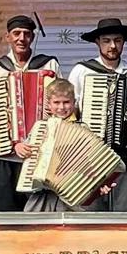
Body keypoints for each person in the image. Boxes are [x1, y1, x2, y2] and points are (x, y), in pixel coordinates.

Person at [0, 15, 59, 211]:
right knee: (5, 210)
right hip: (4, 151)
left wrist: (53, 108)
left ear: (32, 37)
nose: (21, 38)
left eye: (26, 34)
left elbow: (63, 100)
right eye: (16, 33)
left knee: (40, 209)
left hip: (39, 151)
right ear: (8, 37)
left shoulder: (49, 65)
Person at [66, 17, 127, 211]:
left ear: (123, 42)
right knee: (90, 212)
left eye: (117, 40)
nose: (112, 46)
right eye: (106, 41)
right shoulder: (82, 71)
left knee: (125, 213)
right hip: (90, 156)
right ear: (97, 42)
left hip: (124, 156)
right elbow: (69, 112)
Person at [18, 79, 114, 212]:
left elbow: (95, 163)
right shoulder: (40, 128)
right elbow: (28, 150)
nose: (61, 107)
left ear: (74, 102)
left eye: (66, 102)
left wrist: (100, 184)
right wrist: (20, 147)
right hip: (44, 195)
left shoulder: (83, 130)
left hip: (75, 195)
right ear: (49, 104)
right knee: (34, 221)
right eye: (56, 102)